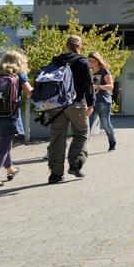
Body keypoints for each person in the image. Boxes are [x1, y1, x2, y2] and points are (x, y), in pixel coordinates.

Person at [48, 35, 95, 183]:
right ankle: (75, 164)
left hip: (56, 105)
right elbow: (88, 84)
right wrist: (91, 103)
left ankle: (55, 174)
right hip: (76, 104)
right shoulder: (82, 61)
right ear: (79, 46)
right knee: (82, 133)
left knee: (57, 138)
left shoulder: (56, 60)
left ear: (67, 46)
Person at [0, 51, 33, 188]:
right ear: (19, 61)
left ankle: (10, 170)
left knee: (5, 143)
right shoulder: (18, 74)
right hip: (9, 115)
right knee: (4, 147)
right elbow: (29, 92)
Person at [88, 51, 116, 152]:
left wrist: (98, 86)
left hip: (102, 101)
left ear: (98, 60)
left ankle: (112, 143)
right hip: (90, 102)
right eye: (89, 61)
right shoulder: (88, 72)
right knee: (87, 125)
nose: (90, 63)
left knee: (105, 124)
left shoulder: (104, 71)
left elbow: (110, 86)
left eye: (92, 61)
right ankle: (83, 148)